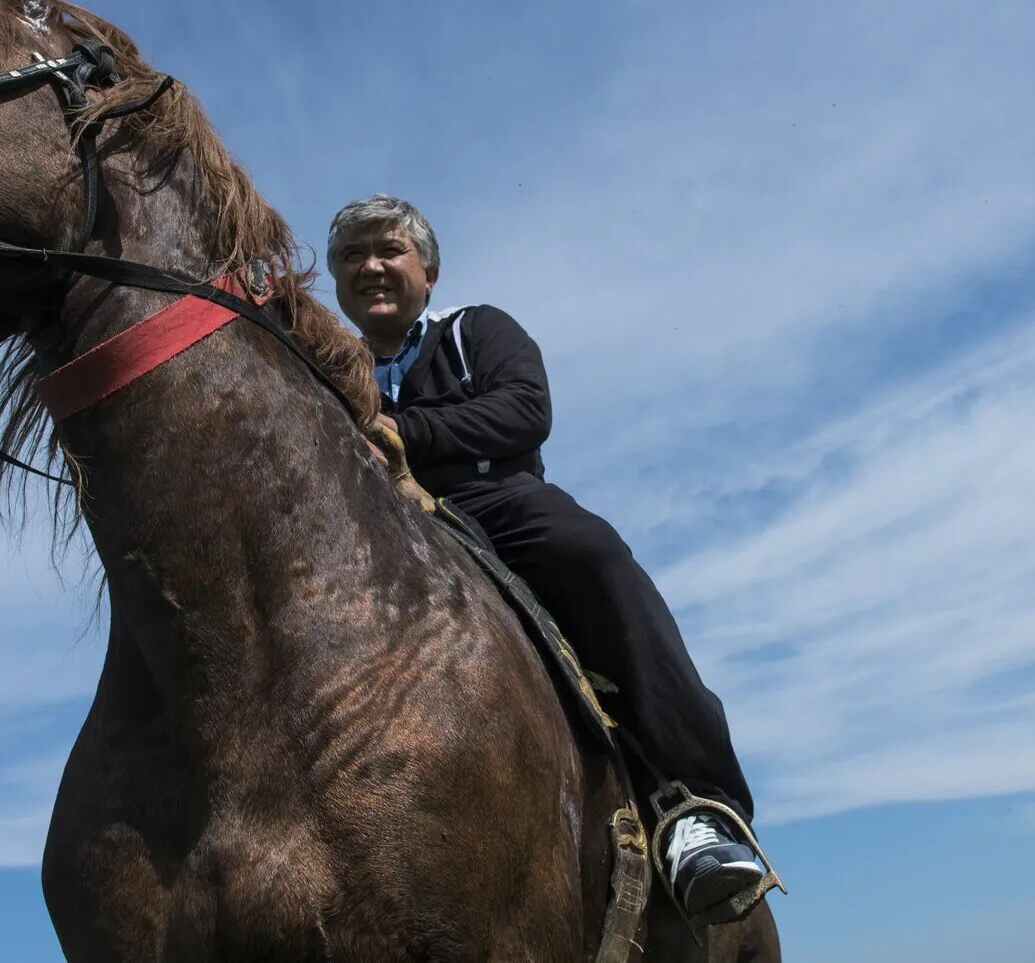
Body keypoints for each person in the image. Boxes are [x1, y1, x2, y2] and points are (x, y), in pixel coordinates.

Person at [328, 194, 770, 924]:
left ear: (428, 272)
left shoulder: (478, 330)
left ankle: (700, 807)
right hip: (378, 527)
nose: (370, 266)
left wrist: (396, 426)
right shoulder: (327, 361)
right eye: (352, 256)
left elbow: (525, 411)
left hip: (497, 502)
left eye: (388, 250)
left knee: (593, 556)